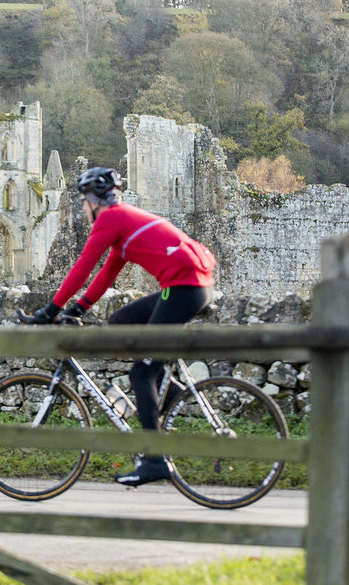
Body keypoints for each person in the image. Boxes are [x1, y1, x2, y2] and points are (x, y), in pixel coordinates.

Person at [20, 167, 216, 486]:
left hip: (185, 288)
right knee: (119, 321)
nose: (84, 208)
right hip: (188, 286)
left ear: (95, 200)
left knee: (141, 372)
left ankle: (155, 460)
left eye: (84, 201)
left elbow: (83, 266)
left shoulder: (112, 218)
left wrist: (51, 310)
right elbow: (106, 273)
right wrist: (76, 309)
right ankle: (170, 394)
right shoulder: (122, 223)